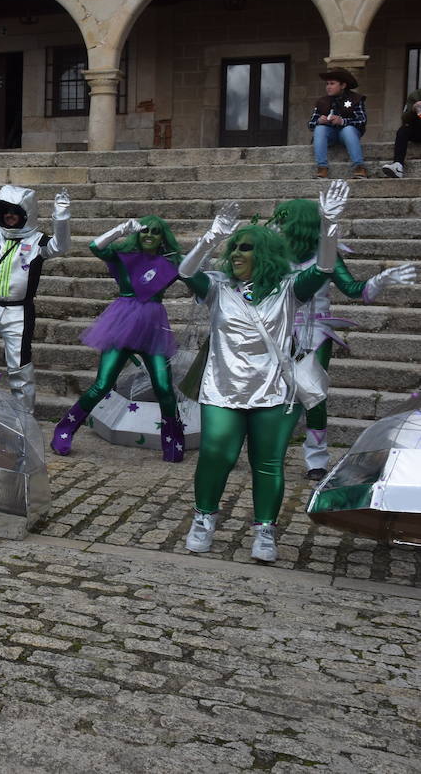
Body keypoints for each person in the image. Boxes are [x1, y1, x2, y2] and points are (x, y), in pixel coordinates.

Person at [180, 183, 350, 563]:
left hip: (274, 392)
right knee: (215, 455)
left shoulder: (289, 290)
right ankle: (204, 519)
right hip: (222, 390)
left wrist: (329, 223)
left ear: (266, 254)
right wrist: (212, 237)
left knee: (268, 463)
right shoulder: (219, 288)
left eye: (245, 247)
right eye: (234, 247)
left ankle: (265, 530)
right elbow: (185, 270)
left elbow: (324, 267)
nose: (236, 253)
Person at [268, 198, 419, 480]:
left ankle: (316, 459)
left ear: (299, 224)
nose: (277, 226)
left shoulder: (326, 254)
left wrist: (379, 281)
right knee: (274, 392)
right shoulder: (274, 254)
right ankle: (268, 452)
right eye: (277, 220)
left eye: (283, 220)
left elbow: (352, 288)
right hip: (276, 330)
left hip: (315, 333)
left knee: (314, 395)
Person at [51, 216, 187, 462]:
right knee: (102, 385)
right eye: (145, 230)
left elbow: (193, 269)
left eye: (155, 232)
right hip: (122, 324)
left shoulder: (170, 263)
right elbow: (95, 246)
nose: (149, 235)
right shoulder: (125, 258)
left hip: (153, 329)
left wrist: (210, 241)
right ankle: (65, 429)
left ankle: (173, 438)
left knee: (164, 387)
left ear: (162, 237)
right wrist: (121, 229)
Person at [0, 185, 71, 412]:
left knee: (19, 366)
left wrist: (61, 215)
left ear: (26, 213)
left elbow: (60, 246)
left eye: (15, 211)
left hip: (19, 312)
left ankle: (23, 415)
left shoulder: (38, 241)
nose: (9, 216)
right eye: (5, 210)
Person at [309, 68, 367, 179]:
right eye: (327, 84)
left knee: (348, 130)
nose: (328, 87)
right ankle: (322, 167)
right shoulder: (322, 101)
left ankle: (359, 166)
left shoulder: (355, 99)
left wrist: (342, 121)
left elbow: (362, 120)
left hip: (347, 135)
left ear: (343, 85)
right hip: (330, 135)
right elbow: (311, 124)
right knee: (320, 129)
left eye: (332, 83)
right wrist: (319, 121)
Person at [381, 88, 421, 178]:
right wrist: (413, 109)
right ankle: (397, 166)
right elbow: (404, 118)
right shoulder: (415, 95)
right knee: (403, 130)